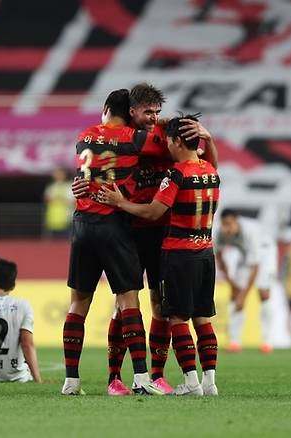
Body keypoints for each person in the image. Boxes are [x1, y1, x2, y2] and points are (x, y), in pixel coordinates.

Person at [73, 83, 217, 395]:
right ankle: (114, 377)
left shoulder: (169, 142)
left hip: (161, 233)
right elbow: (94, 166)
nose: (153, 117)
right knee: (122, 305)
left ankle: (156, 375)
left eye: (157, 113)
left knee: (159, 306)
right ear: (132, 112)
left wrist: (206, 137)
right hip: (127, 230)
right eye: (147, 112)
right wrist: (82, 185)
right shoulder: (129, 141)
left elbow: (204, 164)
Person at [62, 89, 163, 396]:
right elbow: (166, 144)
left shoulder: (84, 135)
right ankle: (142, 378)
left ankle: (71, 381)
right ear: (131, 113)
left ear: (105, 108)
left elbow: (85, 171)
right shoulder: (134, 139)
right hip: (114, 223)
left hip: (81, 224)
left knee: (78, 303)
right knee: (128, 300)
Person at [215, 209, 277, 353]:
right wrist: (233, 285)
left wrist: (243, 295)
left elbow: (255, 267)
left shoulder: (251, 232)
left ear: (237, 222)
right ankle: (235, 342)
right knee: (234, 295)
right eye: (224, 224)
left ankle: (267, 342)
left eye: (229, 224)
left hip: (265, 252)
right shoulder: (219, 233)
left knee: (264, 293)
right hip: (245, 255)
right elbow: (219, 258)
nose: (226, 228)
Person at [43, 167, 74, 239]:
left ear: (65, 174)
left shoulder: (70, 186)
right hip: (53, 218)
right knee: (53, 242)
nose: (57, 175)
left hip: (67, 218)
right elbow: (46, 199)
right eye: (56, 174)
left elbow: (74, 201)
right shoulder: (51, 187)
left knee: (66, 241)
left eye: (59, 174)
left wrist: (61, 199)